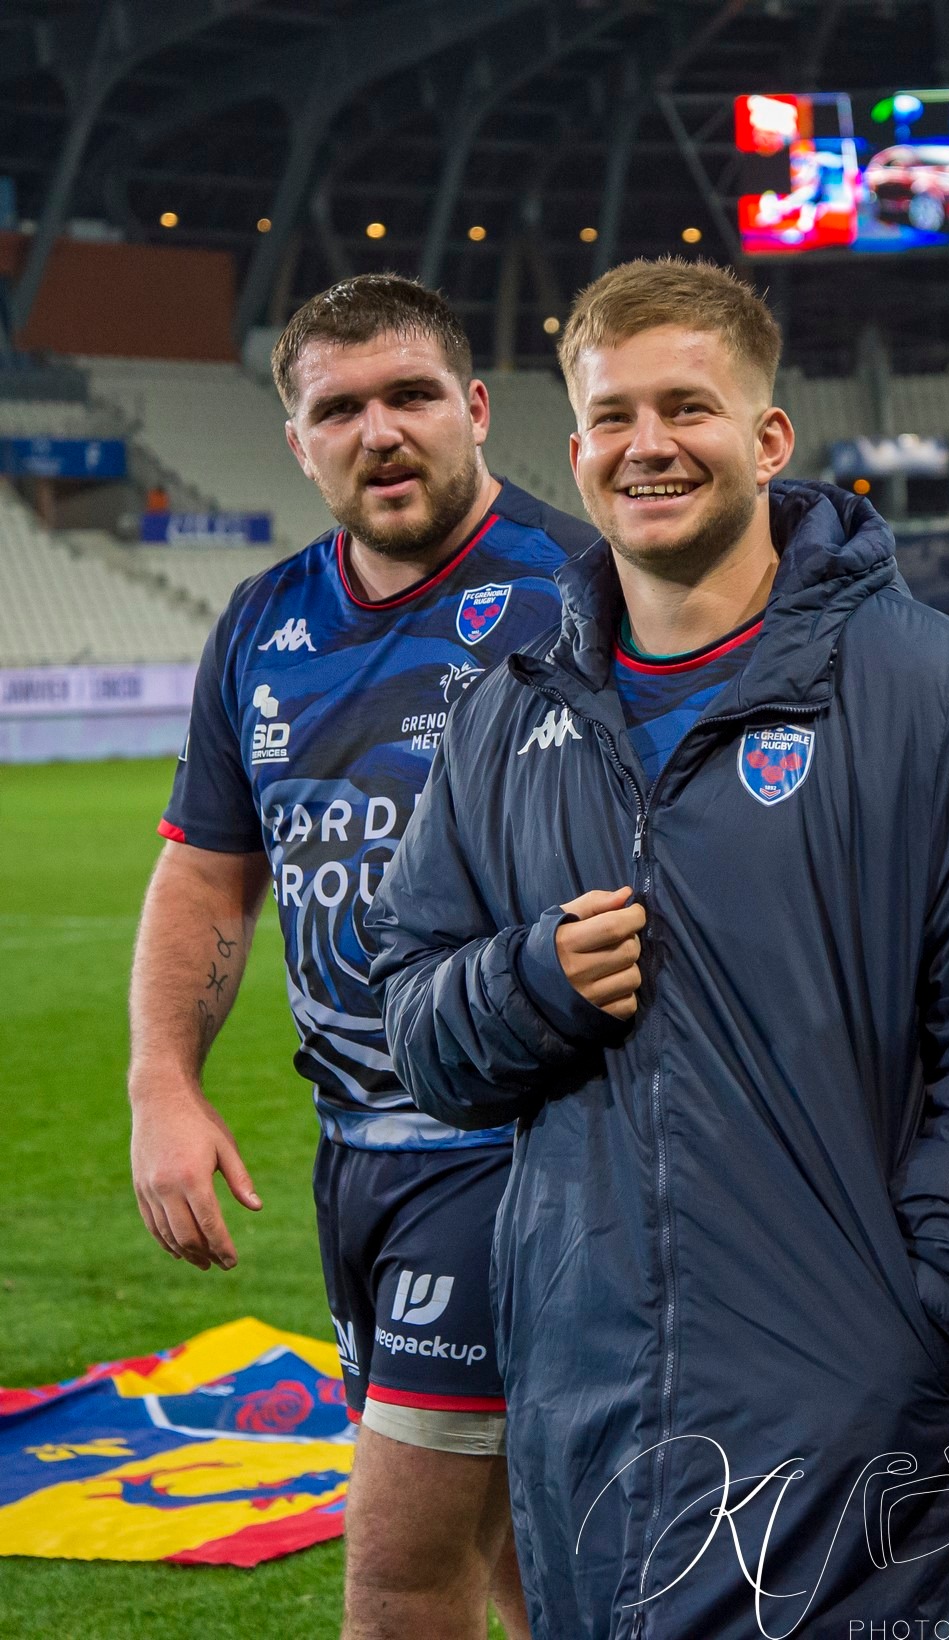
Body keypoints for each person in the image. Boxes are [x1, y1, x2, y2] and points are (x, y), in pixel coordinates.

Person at [367, 259, 949, 1638]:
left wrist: (928, 1294)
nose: (649, 445)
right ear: (574, 450)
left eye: (687, 407)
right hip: (583, 1400)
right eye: (614, 415)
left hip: (849, 1389)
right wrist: (529, 985)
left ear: (768, 438)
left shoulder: (929, 688)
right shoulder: (505, 718)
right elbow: (412, 1015)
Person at [127, 274, 598, 1640]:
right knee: (519, 1560)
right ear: (296, 440)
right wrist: (164, 1079)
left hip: (522, 1151)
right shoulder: (264, 626)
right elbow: (210, 872)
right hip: (360, 1163)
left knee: (398, 1576)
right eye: (339, 408)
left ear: (475, 407)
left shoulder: (584, 588)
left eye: (408, 396)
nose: (378, 431)